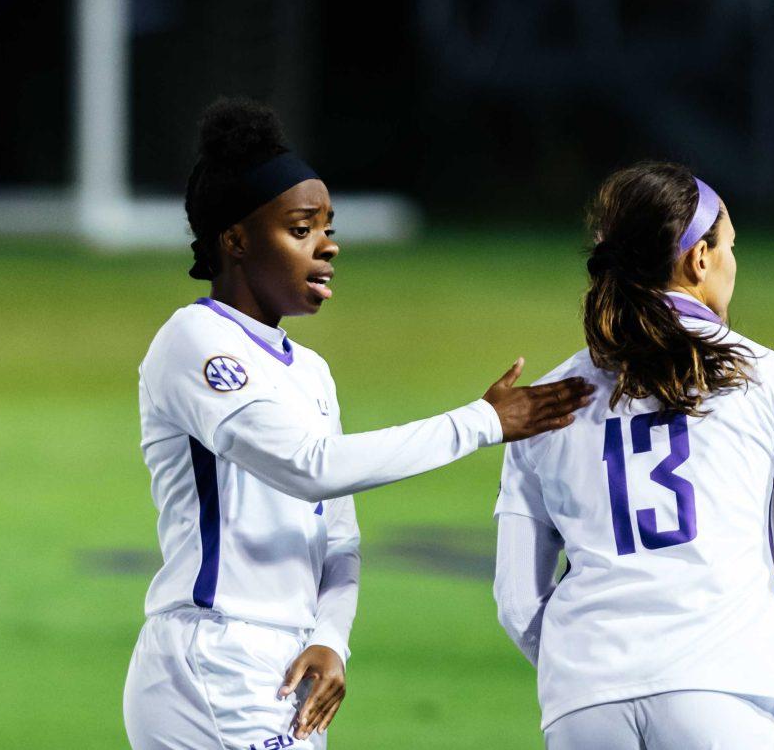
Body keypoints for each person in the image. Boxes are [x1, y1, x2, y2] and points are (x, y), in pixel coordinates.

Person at [123, 97, 593, 750]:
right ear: (235, 239)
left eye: (328, 226)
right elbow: (309, 468)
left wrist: (329, 636)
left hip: (285, 671)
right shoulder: (195, 342)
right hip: (213, 654)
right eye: (301, 227)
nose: (328, 243)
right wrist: (480, 421)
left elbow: (338, 534)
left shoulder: (310, 371)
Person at [493, 162, 774, 750]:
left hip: (583, 706)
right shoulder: (770, 378)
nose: (734, 263)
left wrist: (589, 673)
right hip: (724, 692)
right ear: (700, 258)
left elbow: (515, 600)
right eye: (731, 246)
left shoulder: (545, 401)